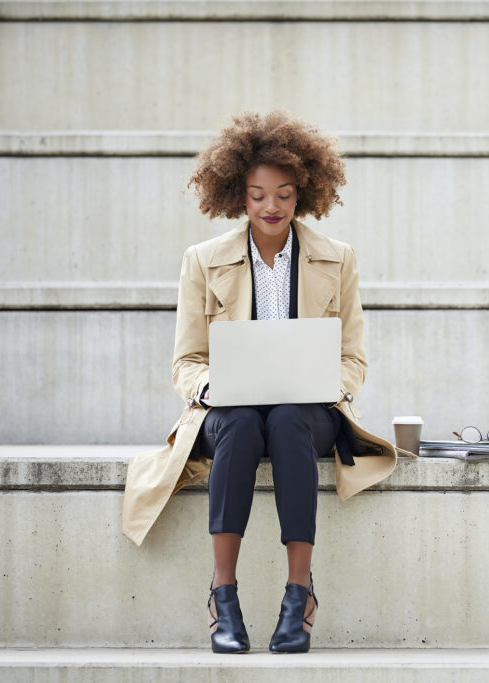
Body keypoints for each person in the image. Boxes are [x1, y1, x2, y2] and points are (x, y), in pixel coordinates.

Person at [121, 110, 406, 654]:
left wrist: (329, 383)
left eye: (283, 193)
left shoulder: (337, 259)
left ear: (304, 193)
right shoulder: (203, 261)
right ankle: (222, 595)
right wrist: (214, 386)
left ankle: (299, 594)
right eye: (257, 195)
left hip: (309, 411)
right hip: (227, 412)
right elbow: (186, 361)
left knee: (289, 419)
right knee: (243, 423)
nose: (270, 207)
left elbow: (354, 358)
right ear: (237, 196)